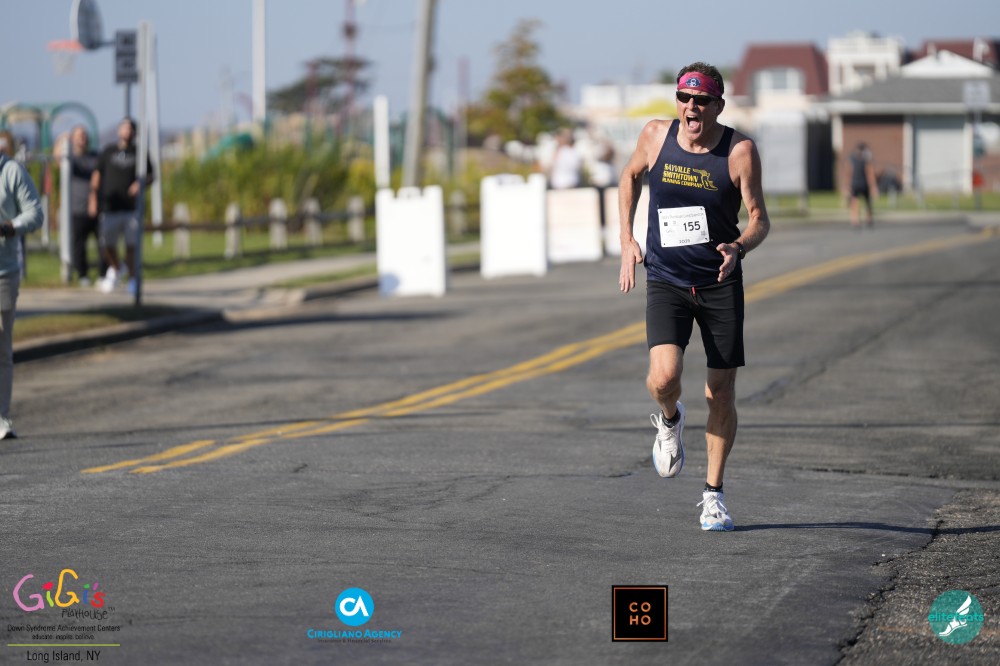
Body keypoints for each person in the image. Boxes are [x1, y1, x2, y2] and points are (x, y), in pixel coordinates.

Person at [617, 62, 771, 532]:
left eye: (701, 100)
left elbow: (759, 218)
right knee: (663, 378)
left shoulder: (739, 152)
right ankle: (670, 419)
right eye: (684, 98)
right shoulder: (655, 136)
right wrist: (626, 240)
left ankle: (713, 495)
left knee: (719, 392)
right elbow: (629, 177)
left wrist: (739, 246)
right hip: (667, 279)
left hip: (719, 283)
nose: (691, 108)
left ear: (718, 106)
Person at [0, 130, 44, 439]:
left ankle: (1, 416)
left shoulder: (11, 171)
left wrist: (10, 226)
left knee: (1, 343)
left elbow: (35, 214)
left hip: (3, 272)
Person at [89, 118, 153, 294]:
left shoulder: (140, 152)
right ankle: (117, 268)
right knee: (107, 245)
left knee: (131, 246)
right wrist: (93, 198)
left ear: (134, 132)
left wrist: (140, 183)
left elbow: (150, 175)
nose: (127, 131)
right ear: (119, 130)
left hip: (131, 208)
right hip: (110, 207)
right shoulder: (108, 151)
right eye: (124, 127)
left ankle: (133, 280)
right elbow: (97, 174)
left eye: (130, 128)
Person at [67, 125, 102, 286]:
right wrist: (63, 140)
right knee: (79, 244)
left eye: (84, 134)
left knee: (103, 242)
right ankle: (82, 275)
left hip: (97, 207)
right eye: (79, 135)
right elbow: (57, 160)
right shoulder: (70, 158)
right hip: (77, 208)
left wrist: (94, 198)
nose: (83, 138)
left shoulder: (96, 156)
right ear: (73, 138)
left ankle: (104, 274)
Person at [847, 142, 878, 228]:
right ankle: (855, 220)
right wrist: (848, 186)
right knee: (855, 202)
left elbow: (870, 173)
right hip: (856, 184)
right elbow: (849, 172)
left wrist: (873, 187)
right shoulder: (854, 160)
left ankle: (867, 219)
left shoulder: (865, 160)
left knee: (867, 202)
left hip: (863, 184)